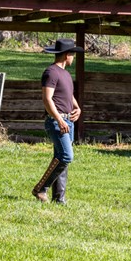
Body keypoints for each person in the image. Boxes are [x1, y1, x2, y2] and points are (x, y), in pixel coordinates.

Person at [32, 37, 83, 205]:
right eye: (72, 55)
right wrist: (59, 119)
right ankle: (40, 188)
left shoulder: (66, 74)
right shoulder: (51, 72)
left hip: (68, 121)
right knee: (66, 156)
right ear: (66, 54)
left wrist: (77, 107)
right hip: (57, 121)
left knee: (61, 158)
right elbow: (47, 99)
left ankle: (59, 198)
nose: (73, 58)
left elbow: (68, 95)